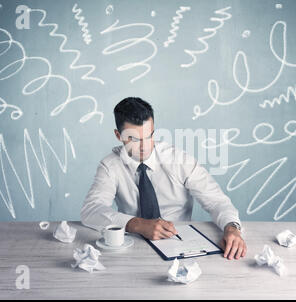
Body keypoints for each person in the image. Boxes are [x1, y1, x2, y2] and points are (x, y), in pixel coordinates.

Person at [80, 97, 247, 260]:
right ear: (118, 135)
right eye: (134, 139)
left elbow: (217, 201)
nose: (145, 146)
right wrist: (137, 224)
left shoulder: (179, 160)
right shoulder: (110, 166)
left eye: (149, 136)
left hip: (180, 245)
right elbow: (91, 210)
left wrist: (232, 228)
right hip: (132, 247)